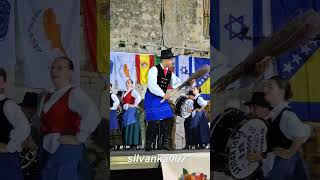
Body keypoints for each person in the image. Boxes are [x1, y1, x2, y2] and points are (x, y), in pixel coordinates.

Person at [39, 57, 100, 180]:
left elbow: (93, 114)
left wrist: (79, 137)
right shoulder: (47, 96)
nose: (54, 71)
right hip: (47, 149)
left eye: (60, 68)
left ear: (70, 73)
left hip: (67, 150)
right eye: (52, 68)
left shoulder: (74, 93)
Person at [249, 76, 311, 180]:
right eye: (265, 86)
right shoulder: (276, 114)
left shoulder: (286, 115)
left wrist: (289, 153)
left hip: (283, 171)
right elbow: (277, 145)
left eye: (270, 87)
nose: (265, 89)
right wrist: (263, 155)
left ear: (281, 93)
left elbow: (303, 133)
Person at [144, 49, 194, 151]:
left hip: (162, 98)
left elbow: (178, 84)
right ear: (165, 60)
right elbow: (152, 85)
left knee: (169, 118)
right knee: (153, 121)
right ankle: (149, 143)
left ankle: (165, 143)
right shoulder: (154, 70)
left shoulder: (170, 74)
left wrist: (188, 84)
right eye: (171, 59)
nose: (172, 61)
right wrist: (163, 94)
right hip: (152, 98)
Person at [0, 68, 31, 180]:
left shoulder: (8, 105)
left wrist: (10, 146)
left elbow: (24, 127)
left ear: (3, 83)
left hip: (5, 161)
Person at [122, 79, 142, 150]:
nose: (127, 83)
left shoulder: (133, 91)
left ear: (132, 84)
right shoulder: (124, 92)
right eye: (127, 82)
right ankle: (129, 144)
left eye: (129, 82)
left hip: (132, 111)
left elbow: (139, 97)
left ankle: (134, 144)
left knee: (133, 126)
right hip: (126, 111)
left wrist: (134, 104)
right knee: (127, 126)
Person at [110, 84, 122, 150]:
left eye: (110, 86)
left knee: (113, 127)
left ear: (111, 88)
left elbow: (117, 102)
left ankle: (115, 145)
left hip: (112, 112)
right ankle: (111, 145)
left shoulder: (112, 95)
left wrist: (112, 107)